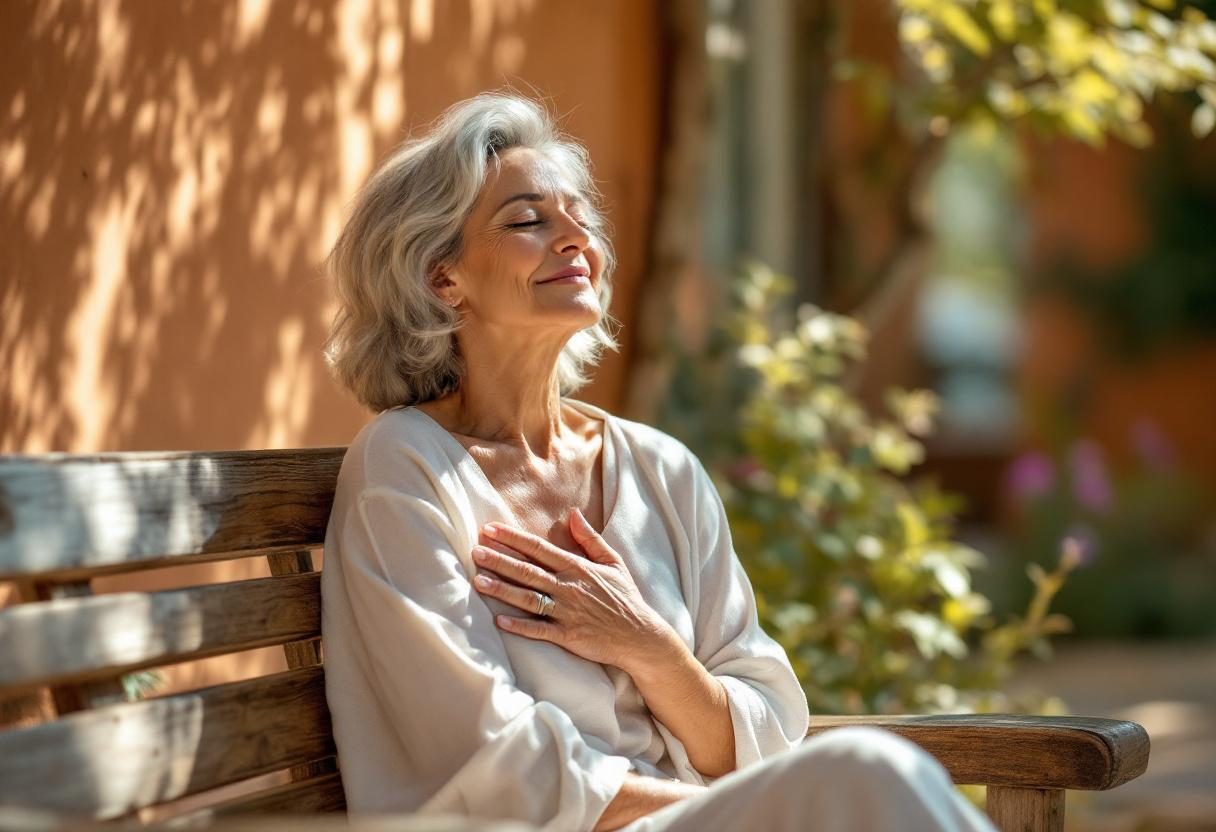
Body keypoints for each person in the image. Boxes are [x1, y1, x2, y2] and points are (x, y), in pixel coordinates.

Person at [319, 91, 996, 832]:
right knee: (869, 774)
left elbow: (765, 727)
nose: (575, 238)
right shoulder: (404, 467)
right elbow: (493, 764)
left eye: (580, 215)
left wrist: (648, 645)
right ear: (441, 278)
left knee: (867, 777)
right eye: (527, 220)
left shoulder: (660, 469)